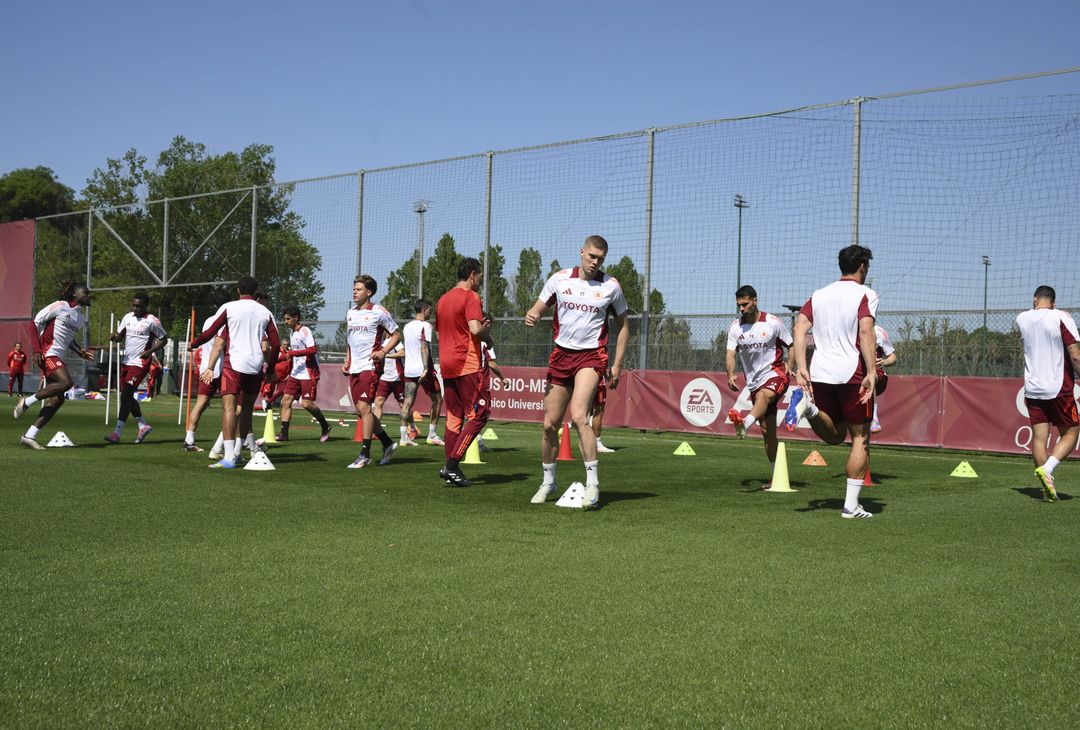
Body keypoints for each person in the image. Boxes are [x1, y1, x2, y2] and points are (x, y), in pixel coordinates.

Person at [524, 235, 629, 508]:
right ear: (582, 252)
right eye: (592, 256)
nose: (595, 262)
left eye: (601, 259)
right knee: (549, 424)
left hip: (592, 357)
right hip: (561, 355)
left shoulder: (611, 287)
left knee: (580, 415)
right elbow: (537, 307)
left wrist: (617, 363)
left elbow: (623, 325)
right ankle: (549, 482)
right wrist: (533, 315)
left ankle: (592, 484)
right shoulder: (559, 279)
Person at [784, 244, 878, 519]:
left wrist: (802, 367)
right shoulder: (866, 293)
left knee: (836, 436)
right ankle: (850, 506)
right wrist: (871, 371)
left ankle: (809, 409)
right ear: (862, 267)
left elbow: (799, 327)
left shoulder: (818, 294)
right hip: (851, 373)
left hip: (821, 371)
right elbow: (865, 331)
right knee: (861, 438)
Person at [192, 275, 280, 469]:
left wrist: (194, 344)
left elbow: (211, 333)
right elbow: (275, 343)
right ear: (256, 291)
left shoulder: (229, 307)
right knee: (246, 408)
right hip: (255, 366)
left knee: (229, 409)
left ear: (238, 290)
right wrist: (270, 369)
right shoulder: (265, 312)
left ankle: (229, 457)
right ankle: (239, 453)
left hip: (234, 365)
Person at [725, 285, 794, 487]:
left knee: (764, 396)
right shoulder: (735, 328)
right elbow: (730, 353)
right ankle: (775, 478)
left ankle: (745, 424)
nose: (742, 309)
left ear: (755, 300)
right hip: (753, 382)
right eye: (739, 305)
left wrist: (790, 364)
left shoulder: (773, 322)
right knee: (767, 432)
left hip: (776, 374)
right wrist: (730, 373)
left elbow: (791, 344)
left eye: (745, 304)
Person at [1016, 285, 1080, 501]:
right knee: (1071, 431)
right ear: (1053, 302)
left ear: (1035, 300)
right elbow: (1075, 354)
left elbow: (1035, 318)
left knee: (1039, 438)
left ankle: (1046, 489)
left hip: (1033, 387)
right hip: (1058, 386)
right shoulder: (1061, 316)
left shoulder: (1022, 319)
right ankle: (1049, 468)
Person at [14, 282, 94, 449]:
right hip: (48, 353)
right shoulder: (60, 306)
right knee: (66, 383)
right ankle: (27, 401)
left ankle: (29, 436)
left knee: (57, 399)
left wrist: (80, 351)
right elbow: (34, 322)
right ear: (74, 295)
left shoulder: (80, 317)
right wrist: (36, 351)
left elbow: (69, 339)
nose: (89, 295)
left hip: (58, 357)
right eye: (85, 293)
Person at [435, 258, 492, 487]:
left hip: (447, 364)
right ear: (472, 275)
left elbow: (440, 333)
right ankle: (452, 465)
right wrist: (488, 332)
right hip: (467, 363)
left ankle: (451, 470)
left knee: (454, 417)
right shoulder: (471, 296)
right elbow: (475, 329)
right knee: (480, 413)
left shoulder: (442, 300)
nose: (479, 281)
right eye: (479, 277)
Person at [343, 274, 401, 468]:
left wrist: (383, 351)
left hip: (371, 366)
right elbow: (350, 341)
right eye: (354, 289)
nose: (355, 292)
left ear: (369, 292)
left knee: (365, 408)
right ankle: (387, 443)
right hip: (355, 366)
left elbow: (396, 334)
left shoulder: (379, 311)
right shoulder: (350, 312)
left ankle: (365, 454)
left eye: (358, 289)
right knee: (361, 410)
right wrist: (347, 360)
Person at [104, 292, 167, 444]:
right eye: (133, 305)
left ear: (146, 306)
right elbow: (120, 337)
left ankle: (117, 433)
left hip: (140, 364)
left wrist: (150, 352)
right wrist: (114, 336)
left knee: (125, 395)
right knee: (127, 396)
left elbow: (164, 339)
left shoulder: (152, 321)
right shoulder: (127, 318)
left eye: (138, 306)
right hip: (126, 362)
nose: (135, 308)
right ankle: (143, 425)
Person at [277, 306, 332, 443]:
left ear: (296, 317)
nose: (286, 322)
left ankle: (325, 426)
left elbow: (312, 349)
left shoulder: (305, 331)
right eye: (284, 319)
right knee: (286, 401)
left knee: (307, 404)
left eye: (288, 319)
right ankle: (284, 434)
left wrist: (292, 353)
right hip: (296, 373)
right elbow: (293, 355)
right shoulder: (291, 333)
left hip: (308, 373)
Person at [184, 293, 230, 452]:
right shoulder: (227, 321)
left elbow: (204, 340)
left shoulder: (208, 321)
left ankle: (189, 439)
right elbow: (222, 344)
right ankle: (232, 441)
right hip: (222, 368)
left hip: (206, 368)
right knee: (230, 407)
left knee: (201, 403)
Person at [400, 298, 444, 447]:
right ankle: (432, 434)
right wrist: (426, 368)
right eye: (430, 310)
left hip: (409, 369)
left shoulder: (406, 327)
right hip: (424, 369)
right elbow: (424, 347)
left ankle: (403, 437)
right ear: (424, 310)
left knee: (407, 401)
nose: (431, 313)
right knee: (438, 399)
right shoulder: (426, 326)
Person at [476, 313, 511, 452]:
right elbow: (491, 363)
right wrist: (503, 378)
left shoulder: (472, 337)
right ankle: (476, 442)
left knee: (474, 411)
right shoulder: (484, 340)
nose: (491, 327)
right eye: (490, 323)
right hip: (479, 380)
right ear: (485, 323)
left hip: (470, 379)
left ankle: (473, 441)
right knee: (481, 412)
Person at [373, 343, 406, 436]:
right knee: (378, 402)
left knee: (403, 405)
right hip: (383, 378)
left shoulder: (395, 341)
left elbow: (402, 353)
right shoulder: (378, 341)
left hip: (397, 378)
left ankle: (412, 427)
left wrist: (385, 354)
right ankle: (375, 431)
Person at [870, 325, 897, 433]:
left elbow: (893, 357)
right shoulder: (847, 330)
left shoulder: (878, 332)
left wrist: (884, 362)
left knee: (870, 376)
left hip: (876, 375)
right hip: (853, 374)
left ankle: (874, 417)